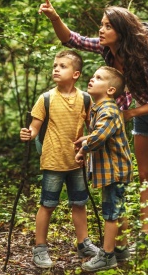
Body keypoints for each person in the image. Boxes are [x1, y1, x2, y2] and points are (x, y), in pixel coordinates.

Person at [38, 0, 148, 238]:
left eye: (108, 26)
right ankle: (146, 236)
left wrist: (127, 113)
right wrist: (54, 16)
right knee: (146, 176)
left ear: (121, 31)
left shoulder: (142, 57)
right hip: (143, 111)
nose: (101, 30)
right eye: (101, 25)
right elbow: (71, 39)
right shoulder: (107, 50)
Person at [20, 50, 98, 269]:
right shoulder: (45, 99)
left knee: (79, 203)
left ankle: (84, 243)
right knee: (47, 204)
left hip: (77, 161)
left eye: (62, 66)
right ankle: (40, 248)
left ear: (76, 74)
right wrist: (28, 133)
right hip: (53, 161)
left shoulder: (86, 98)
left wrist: (90, 145)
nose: (56, 69)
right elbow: (34, 129)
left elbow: (93, 128)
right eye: (55, 65)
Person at [74, 66, 133, 272]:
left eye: (98, 78)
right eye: (93, 76)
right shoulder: (99, 109)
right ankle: (122, 249)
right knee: (118, 210)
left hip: (114, 172)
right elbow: (97, 137)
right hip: (112, 171)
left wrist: (84, 145)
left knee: (111, 213)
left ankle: (108, 256)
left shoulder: (108, 110)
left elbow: (98, 138)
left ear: (110, 90)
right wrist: (84, 148)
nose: (92, 79)